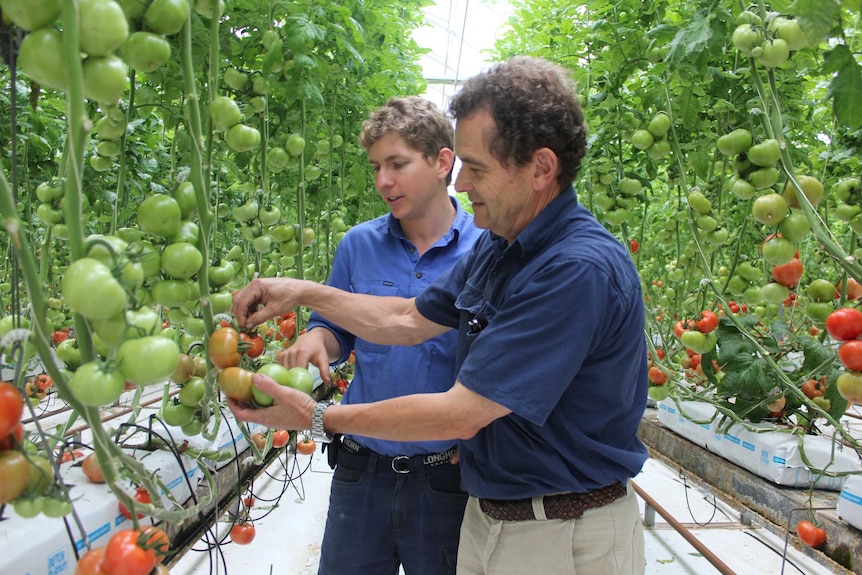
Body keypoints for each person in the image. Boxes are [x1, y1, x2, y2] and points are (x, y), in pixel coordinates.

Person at [230, 56, 648, 575]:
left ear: (541, 169)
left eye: (476, 167)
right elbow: (407, 319)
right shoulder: (502, 247)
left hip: (559, 534)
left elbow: (461, 413)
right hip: (497, 515)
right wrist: (304, 293)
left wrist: (316, 416)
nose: (463, 183)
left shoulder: (572, 270)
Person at [281, 96, 482, 574]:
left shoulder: (486, 248)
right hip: (361, 469)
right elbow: (335, 327)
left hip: (447, 477)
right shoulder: (359, 244)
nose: (383, 181)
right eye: (376, 167)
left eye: (397, 164)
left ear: (442, 162)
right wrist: (317, 341)